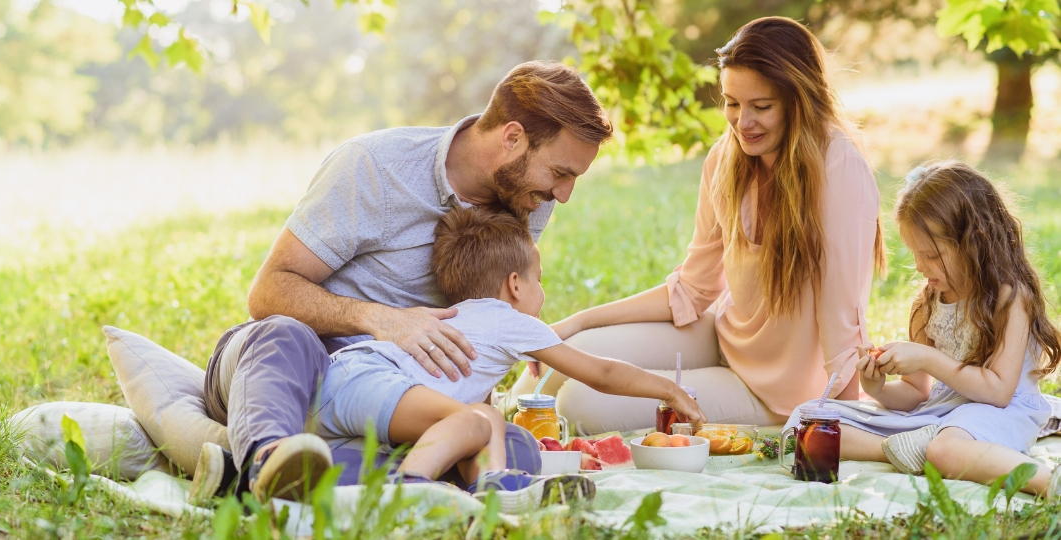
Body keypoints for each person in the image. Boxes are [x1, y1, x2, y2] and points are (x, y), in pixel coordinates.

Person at [193, 60, 613, 502]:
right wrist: (382, 319)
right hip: (294, 371)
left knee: (513, 450)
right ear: (512, 138)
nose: (563, 195)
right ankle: (265, 458)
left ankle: (265, 480)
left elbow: (483, 317)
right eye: (561, 173)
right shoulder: (374, 166)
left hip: (395, 397)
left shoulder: (527, 196)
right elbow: (268, 293)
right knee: (284, 334)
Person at [510, 16, 886, 433]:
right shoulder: (726, 159)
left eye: (761, 106)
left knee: (581, 405)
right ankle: (494, 412)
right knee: (571, 352)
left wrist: (841, 424)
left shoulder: (838, 166)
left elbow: (842, 316)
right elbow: (692, 288)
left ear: (799, 101)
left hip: (779, 390)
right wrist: (579, 321)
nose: (743, 123)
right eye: (732, 103)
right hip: (723, 338)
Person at [295, 207, 706, 512]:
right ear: (514, 284)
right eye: (539, 280)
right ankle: (410, 494)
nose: (542, 293)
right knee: (472, 421)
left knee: (486, 418)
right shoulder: (507, 319)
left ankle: (493, 490)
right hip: (369, 381)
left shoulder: (469, 317)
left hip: (341, 387)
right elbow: (601, 373)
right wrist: (668, 389)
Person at [791, 161, 1061, 495]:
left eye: (931, 254)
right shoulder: (928, 304)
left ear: (974, 242)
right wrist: (876, 388)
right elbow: (916, 393)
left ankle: (1050, 483)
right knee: (806, 420)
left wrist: (926, 359)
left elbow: (998, 391)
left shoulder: (1009, 297)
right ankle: (903, 447)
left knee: (946, 451)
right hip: (941, 414)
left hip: (1002, 413)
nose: (919, 266)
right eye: (915, 253)